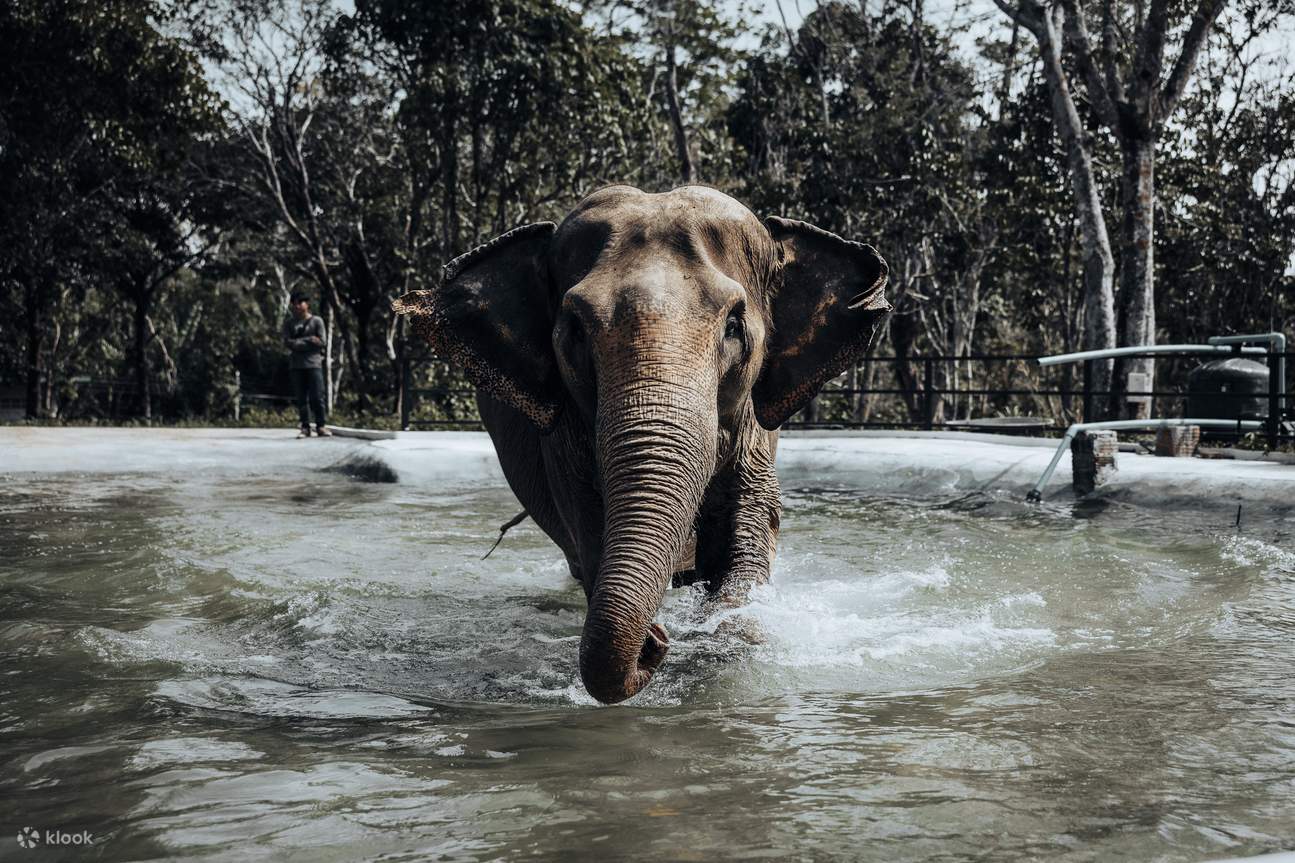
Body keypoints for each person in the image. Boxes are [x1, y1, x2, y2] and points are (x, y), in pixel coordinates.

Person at [283, 292, 332, 438]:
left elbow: (321, 342)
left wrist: (301, 343)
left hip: (314, 364)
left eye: (300, 302)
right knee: (301, 398)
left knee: (317, 397)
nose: (297, 306)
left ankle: (321, 426)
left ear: (307, 304)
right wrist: (310, 340)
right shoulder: (289, 323)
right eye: (295, 303)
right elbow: (288, 342)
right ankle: (305, 427)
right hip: (296, 366)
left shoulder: (317, 321)